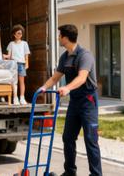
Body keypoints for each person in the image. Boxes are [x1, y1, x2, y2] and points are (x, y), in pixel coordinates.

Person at [37, 24, 101, 176]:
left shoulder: (85, 55)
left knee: (90, 139)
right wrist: (43, 88)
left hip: (88, 101)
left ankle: (96, 174)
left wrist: (67, 88)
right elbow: (55, 77)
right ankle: (70, 172)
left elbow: (82, 77)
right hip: (75, 102)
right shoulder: (64, 57)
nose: (58, 38)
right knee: (68, 138)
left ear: (65, 38)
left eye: (59, 36)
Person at [4, 24, 30, 105]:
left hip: (21, 64)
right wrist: (3, 56)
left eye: (21, 33)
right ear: (14, 34)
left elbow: (26, 55)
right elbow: (9, 56)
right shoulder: (11, 44)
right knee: (14, 82)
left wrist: (27, 64)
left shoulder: (24, 43)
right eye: (18, 33)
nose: (20, 35)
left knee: (21, 82)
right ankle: (15, 98)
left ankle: (22, 98)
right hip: (13, 64)